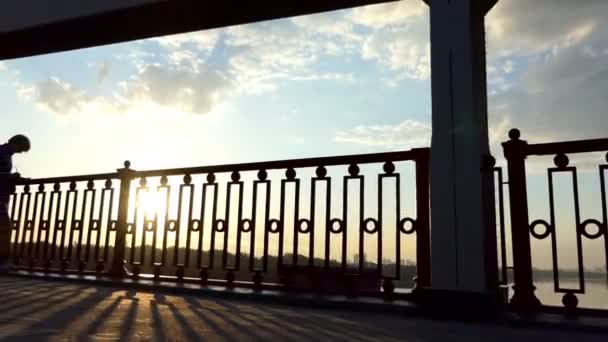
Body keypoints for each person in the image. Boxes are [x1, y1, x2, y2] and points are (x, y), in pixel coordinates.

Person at [0, 135, 30, 273]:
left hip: (3, 196)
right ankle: (2, 262)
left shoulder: (5, 153)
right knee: (5, 228)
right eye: (21, 149)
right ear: (16, 143)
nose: (20, 152)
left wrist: (15, 178)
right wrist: (10, 177)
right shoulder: (2, 153)